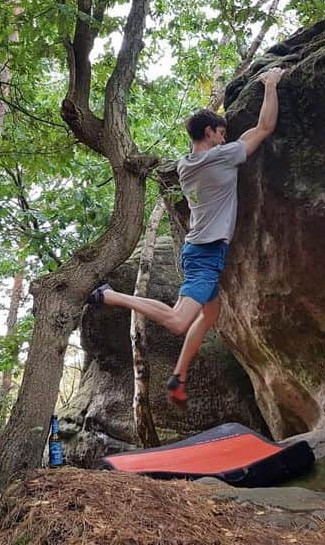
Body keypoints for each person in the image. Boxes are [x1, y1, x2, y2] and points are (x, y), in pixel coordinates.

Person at [86, 67, 285, 406]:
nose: (225, 139)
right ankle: (110, 297)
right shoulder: (220, 158)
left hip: (200, 249)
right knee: (179, 320)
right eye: (221, 133)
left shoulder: (185, 165)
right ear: (210, 133)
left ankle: (178, 377)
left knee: (210, 314)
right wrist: (270, 84)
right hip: (205, 255)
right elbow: (264, 127)